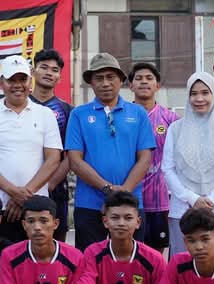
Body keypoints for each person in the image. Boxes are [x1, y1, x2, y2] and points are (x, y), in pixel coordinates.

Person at [66, 52, 154, 251]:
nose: (105, 83)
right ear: (91, 82)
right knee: (90, 260)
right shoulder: (78, 114)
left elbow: (145, 158)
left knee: (131, 261)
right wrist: (107, 189)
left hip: (131, 203)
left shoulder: (138, 113)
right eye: (99, 78)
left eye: (111, 77)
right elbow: (75, 161)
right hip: (89, 204)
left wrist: (123, 193)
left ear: (121, 80)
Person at [0, 55, 62, 242]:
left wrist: (25, 195)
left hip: (37, 208)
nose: (18, 85)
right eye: (11, 80)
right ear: (1, 83)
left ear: (30, 81)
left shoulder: (45, 114)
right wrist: (13, 192)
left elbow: (53, 159)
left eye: (22, 79)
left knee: (36, 257)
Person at [163, 71, 214, 266]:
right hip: (183, 210)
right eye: (194, 93)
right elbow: (168, 169)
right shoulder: (176, 129)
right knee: (183, 269)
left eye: (205, 93)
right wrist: (193, 199)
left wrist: (212, 200)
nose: (199, 98)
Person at [128, 62, 179, 250]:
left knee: (156, 254)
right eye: (139, 78)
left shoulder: (171, 119)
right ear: (130, 85)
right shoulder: (121, 117)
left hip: (160, 200)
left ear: (157, 85)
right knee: (129, 252)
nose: (144, 82)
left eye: (149, 78)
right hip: (129, 197)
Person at [30, 49, 72, 243]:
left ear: (60, 77)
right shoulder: (21, 106)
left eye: (54, 70)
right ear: (33, 71)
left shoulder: (67, 110)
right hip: (23, 187)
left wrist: (50, 183)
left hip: (56, 187)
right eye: (44, 68)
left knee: (56, 242)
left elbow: (71, 154)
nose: (49, 73)